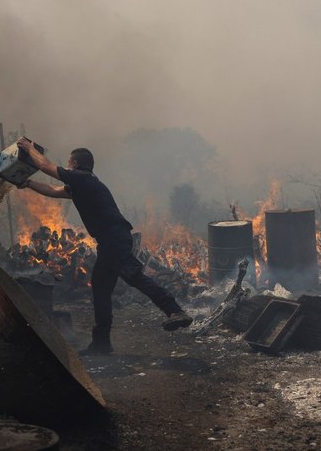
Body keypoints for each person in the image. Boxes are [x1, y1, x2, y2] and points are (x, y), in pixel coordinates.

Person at [15, 137, 193, 355]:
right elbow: (54, 191)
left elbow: (45, 166)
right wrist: (28, 184)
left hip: (114, 239)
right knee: (100, 288)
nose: (67, 166)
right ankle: (101, 343)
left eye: (69, 162)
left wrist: (29, 148)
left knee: (134, 277)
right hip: (110, 240)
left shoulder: (80, 177)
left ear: (74, 163)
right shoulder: (84, 183)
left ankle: (175, 310)